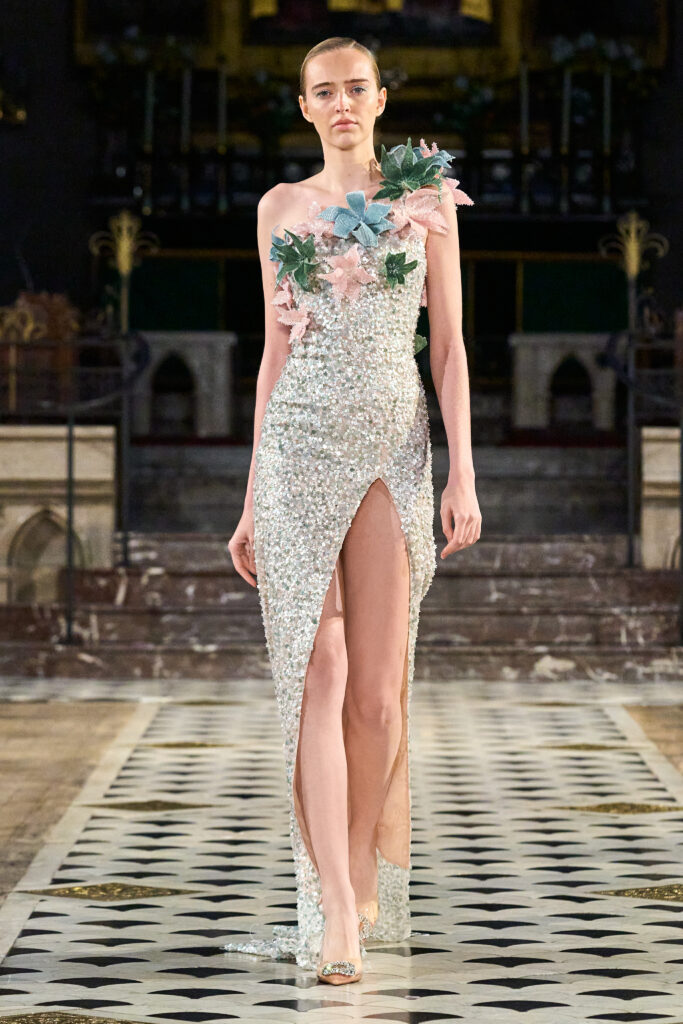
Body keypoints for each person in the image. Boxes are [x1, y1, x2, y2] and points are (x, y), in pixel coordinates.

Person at [225, 35, 481, 984]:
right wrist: (249, 498)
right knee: (317, 669)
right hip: (296, 449)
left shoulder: (426, 202)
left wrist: (462, 473)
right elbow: (274, 353)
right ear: (304, 107)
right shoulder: (280, 208)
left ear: (379, 99)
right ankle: (335, 905)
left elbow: (448, 347)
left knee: (376, 694)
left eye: (355, 88)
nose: (340, 103)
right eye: (323, 91)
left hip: (390, 448)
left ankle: (365, 869)